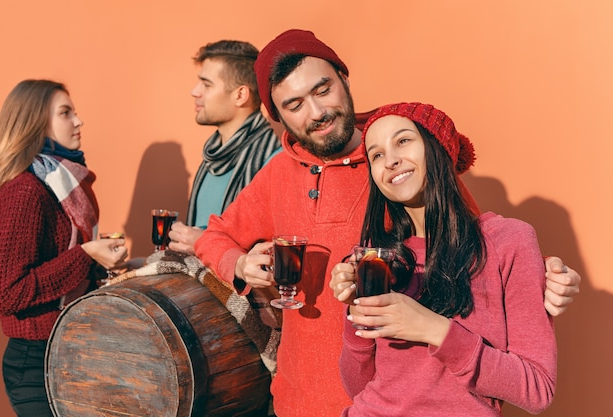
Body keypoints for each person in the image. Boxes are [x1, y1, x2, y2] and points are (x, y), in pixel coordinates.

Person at [193, 29, 578, 416]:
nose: (316, 112)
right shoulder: (278, 174)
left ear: (343, 79)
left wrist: (540, 283)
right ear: (278, 118)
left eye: (323, 89)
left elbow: (472, 252)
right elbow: (215, 235)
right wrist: (239, 264)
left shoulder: (406, 168)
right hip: (299, 401)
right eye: (294, 105)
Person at [329, 102, 556, 416]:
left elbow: (537, 389)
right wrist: (354, 314)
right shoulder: (378, 253)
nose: (390, 160)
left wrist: (433, 329)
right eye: (376, 155)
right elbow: (359, 387)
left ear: (438, 148)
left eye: (403, 141)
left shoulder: (508, 241)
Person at [0, 79, 128, 417]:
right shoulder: (25, 191)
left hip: (71, 347)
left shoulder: (61, 183)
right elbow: (8, 293)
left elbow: (57, 267)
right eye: (66, 113)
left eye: (74, 112)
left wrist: (102, 266)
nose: (78, 121)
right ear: (35, 122)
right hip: (35, 362)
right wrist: (86, 254)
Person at [168, 40, 281, 254]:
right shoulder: (211, 158)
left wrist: (204, 243)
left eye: (207, 84)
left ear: (240, 95)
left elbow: (273, 252)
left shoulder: (273, 161)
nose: (195, 91)